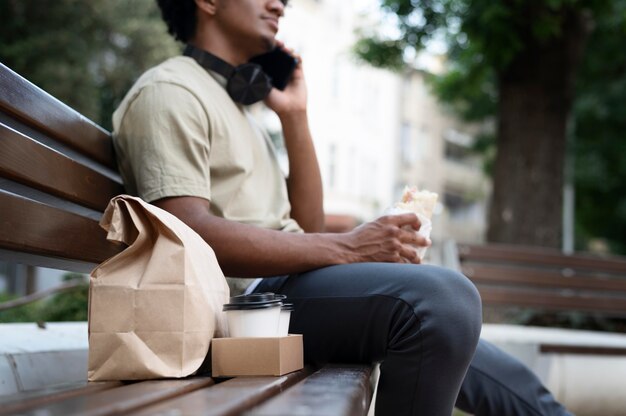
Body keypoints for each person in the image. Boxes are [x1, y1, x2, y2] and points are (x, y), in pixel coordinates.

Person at [112, 0, 573, 415]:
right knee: (440, 301)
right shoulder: (170, 92)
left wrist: (295, 117)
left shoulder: (238, 105)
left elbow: (307, 228)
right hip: (240, 309)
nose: (281, 2)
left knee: (464, 334)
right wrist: (351, 249)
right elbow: (190, 231)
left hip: (283, 294)